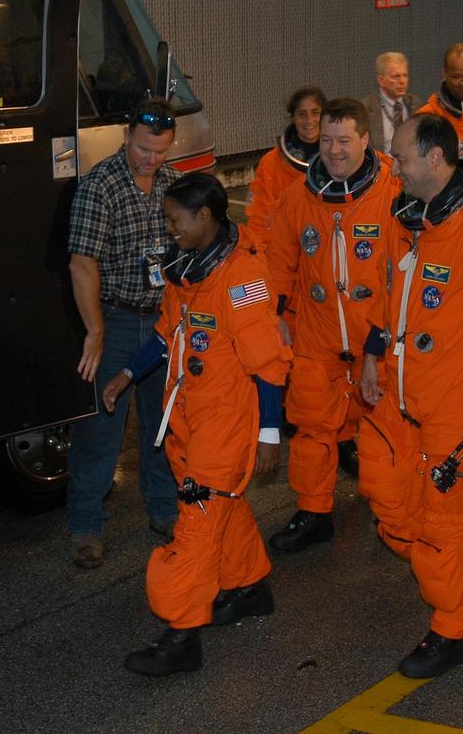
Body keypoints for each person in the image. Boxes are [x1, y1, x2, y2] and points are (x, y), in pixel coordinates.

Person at [356, 114, 463, 679]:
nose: (393, 168)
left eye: (401, 158)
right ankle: (455, 561)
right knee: (384, 491)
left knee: (443, 520)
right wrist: (372, 353)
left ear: (435, 159)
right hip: (401, 391)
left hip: (457, 402)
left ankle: (452, 630)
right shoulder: (404, 216)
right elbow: (388, 292)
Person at [102, 173, 292, 677]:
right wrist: (127, 374)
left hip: (225, 423)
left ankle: (182, 634)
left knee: (196, 523)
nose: (170, 229)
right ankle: (249, 587)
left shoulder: (241, 277)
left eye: (174, 219)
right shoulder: (185, 272)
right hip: (188, 415)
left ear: (204, 216)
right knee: (223, 507)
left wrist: (268, 433)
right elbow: (169, 335)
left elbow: (268, 364)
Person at [264, 98, 399, 552]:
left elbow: (406, 272)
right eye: (326, 140)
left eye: (344, 140)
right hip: (317, 335)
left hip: (376, 335)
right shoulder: (297, 198)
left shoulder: (393, 194)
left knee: (385, 429)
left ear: (365, 140)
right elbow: (278, 265)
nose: (334, 150)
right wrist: (275, 319)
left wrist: (382, 341)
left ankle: (392, 511)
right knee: (311, 428)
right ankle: (314, 511)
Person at [66, 98, 182, 570]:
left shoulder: (173, 185)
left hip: (161, 321)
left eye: (160, 151)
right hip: (115, 321)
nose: (151, 159)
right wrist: (94, 331)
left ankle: (165, 508)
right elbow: (82, 263)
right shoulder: (100, 185)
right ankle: (86, 526)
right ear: (126, 136)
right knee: (100, 429)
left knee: (163, 422)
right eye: (143, 149)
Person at [244, 86, 326, 249]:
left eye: (315, 112)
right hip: (285, 245)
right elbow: (259, 217)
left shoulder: (337, 159)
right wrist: (259, 252)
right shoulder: (271, 163)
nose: (309, 120)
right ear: (293, 118)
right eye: (302, 114)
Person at [362, 52, 420, 155]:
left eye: (405, 75)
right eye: (396, 76)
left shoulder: (415, 104)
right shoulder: (365, 108)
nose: (402, 81)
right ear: (381, 80)